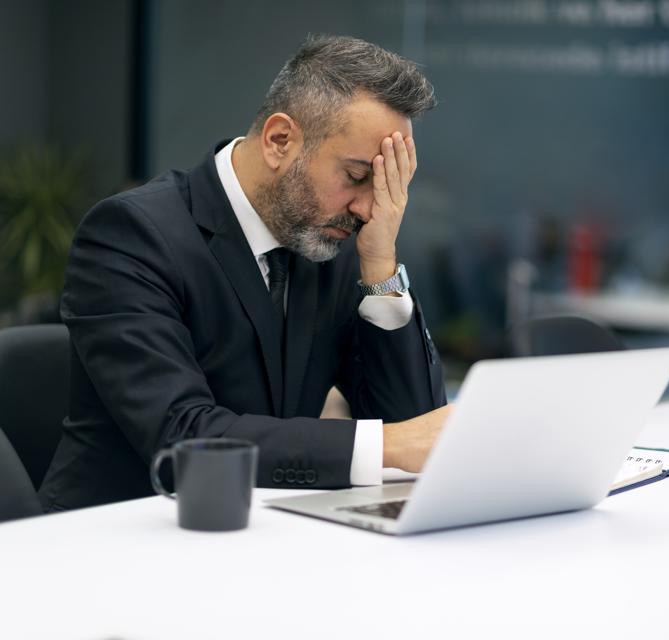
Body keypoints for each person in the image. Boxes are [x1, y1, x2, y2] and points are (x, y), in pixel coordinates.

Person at [39, 35, 451, 511]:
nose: (366, 207)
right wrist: (388, 445)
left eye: (383, 185)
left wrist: (380, 267)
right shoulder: (132, 235)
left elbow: (417, 432)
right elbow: (183, 438)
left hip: (266, 538)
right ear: (280, 141)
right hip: (112, 544)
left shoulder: (331, 240)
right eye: (358, 177)